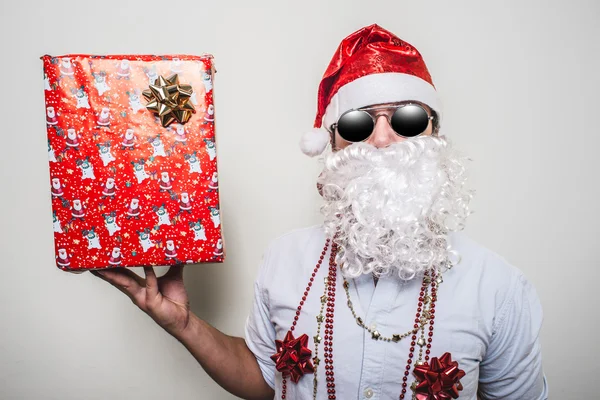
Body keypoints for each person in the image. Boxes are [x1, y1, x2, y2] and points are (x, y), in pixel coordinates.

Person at [91, 24, 549, 400]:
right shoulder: (284, 259)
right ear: (331, 145)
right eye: (358, 123)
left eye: (408, 118)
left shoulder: (499, 289)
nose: (384, 140)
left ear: (435, 135)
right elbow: (265, 380)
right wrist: (185, 325)